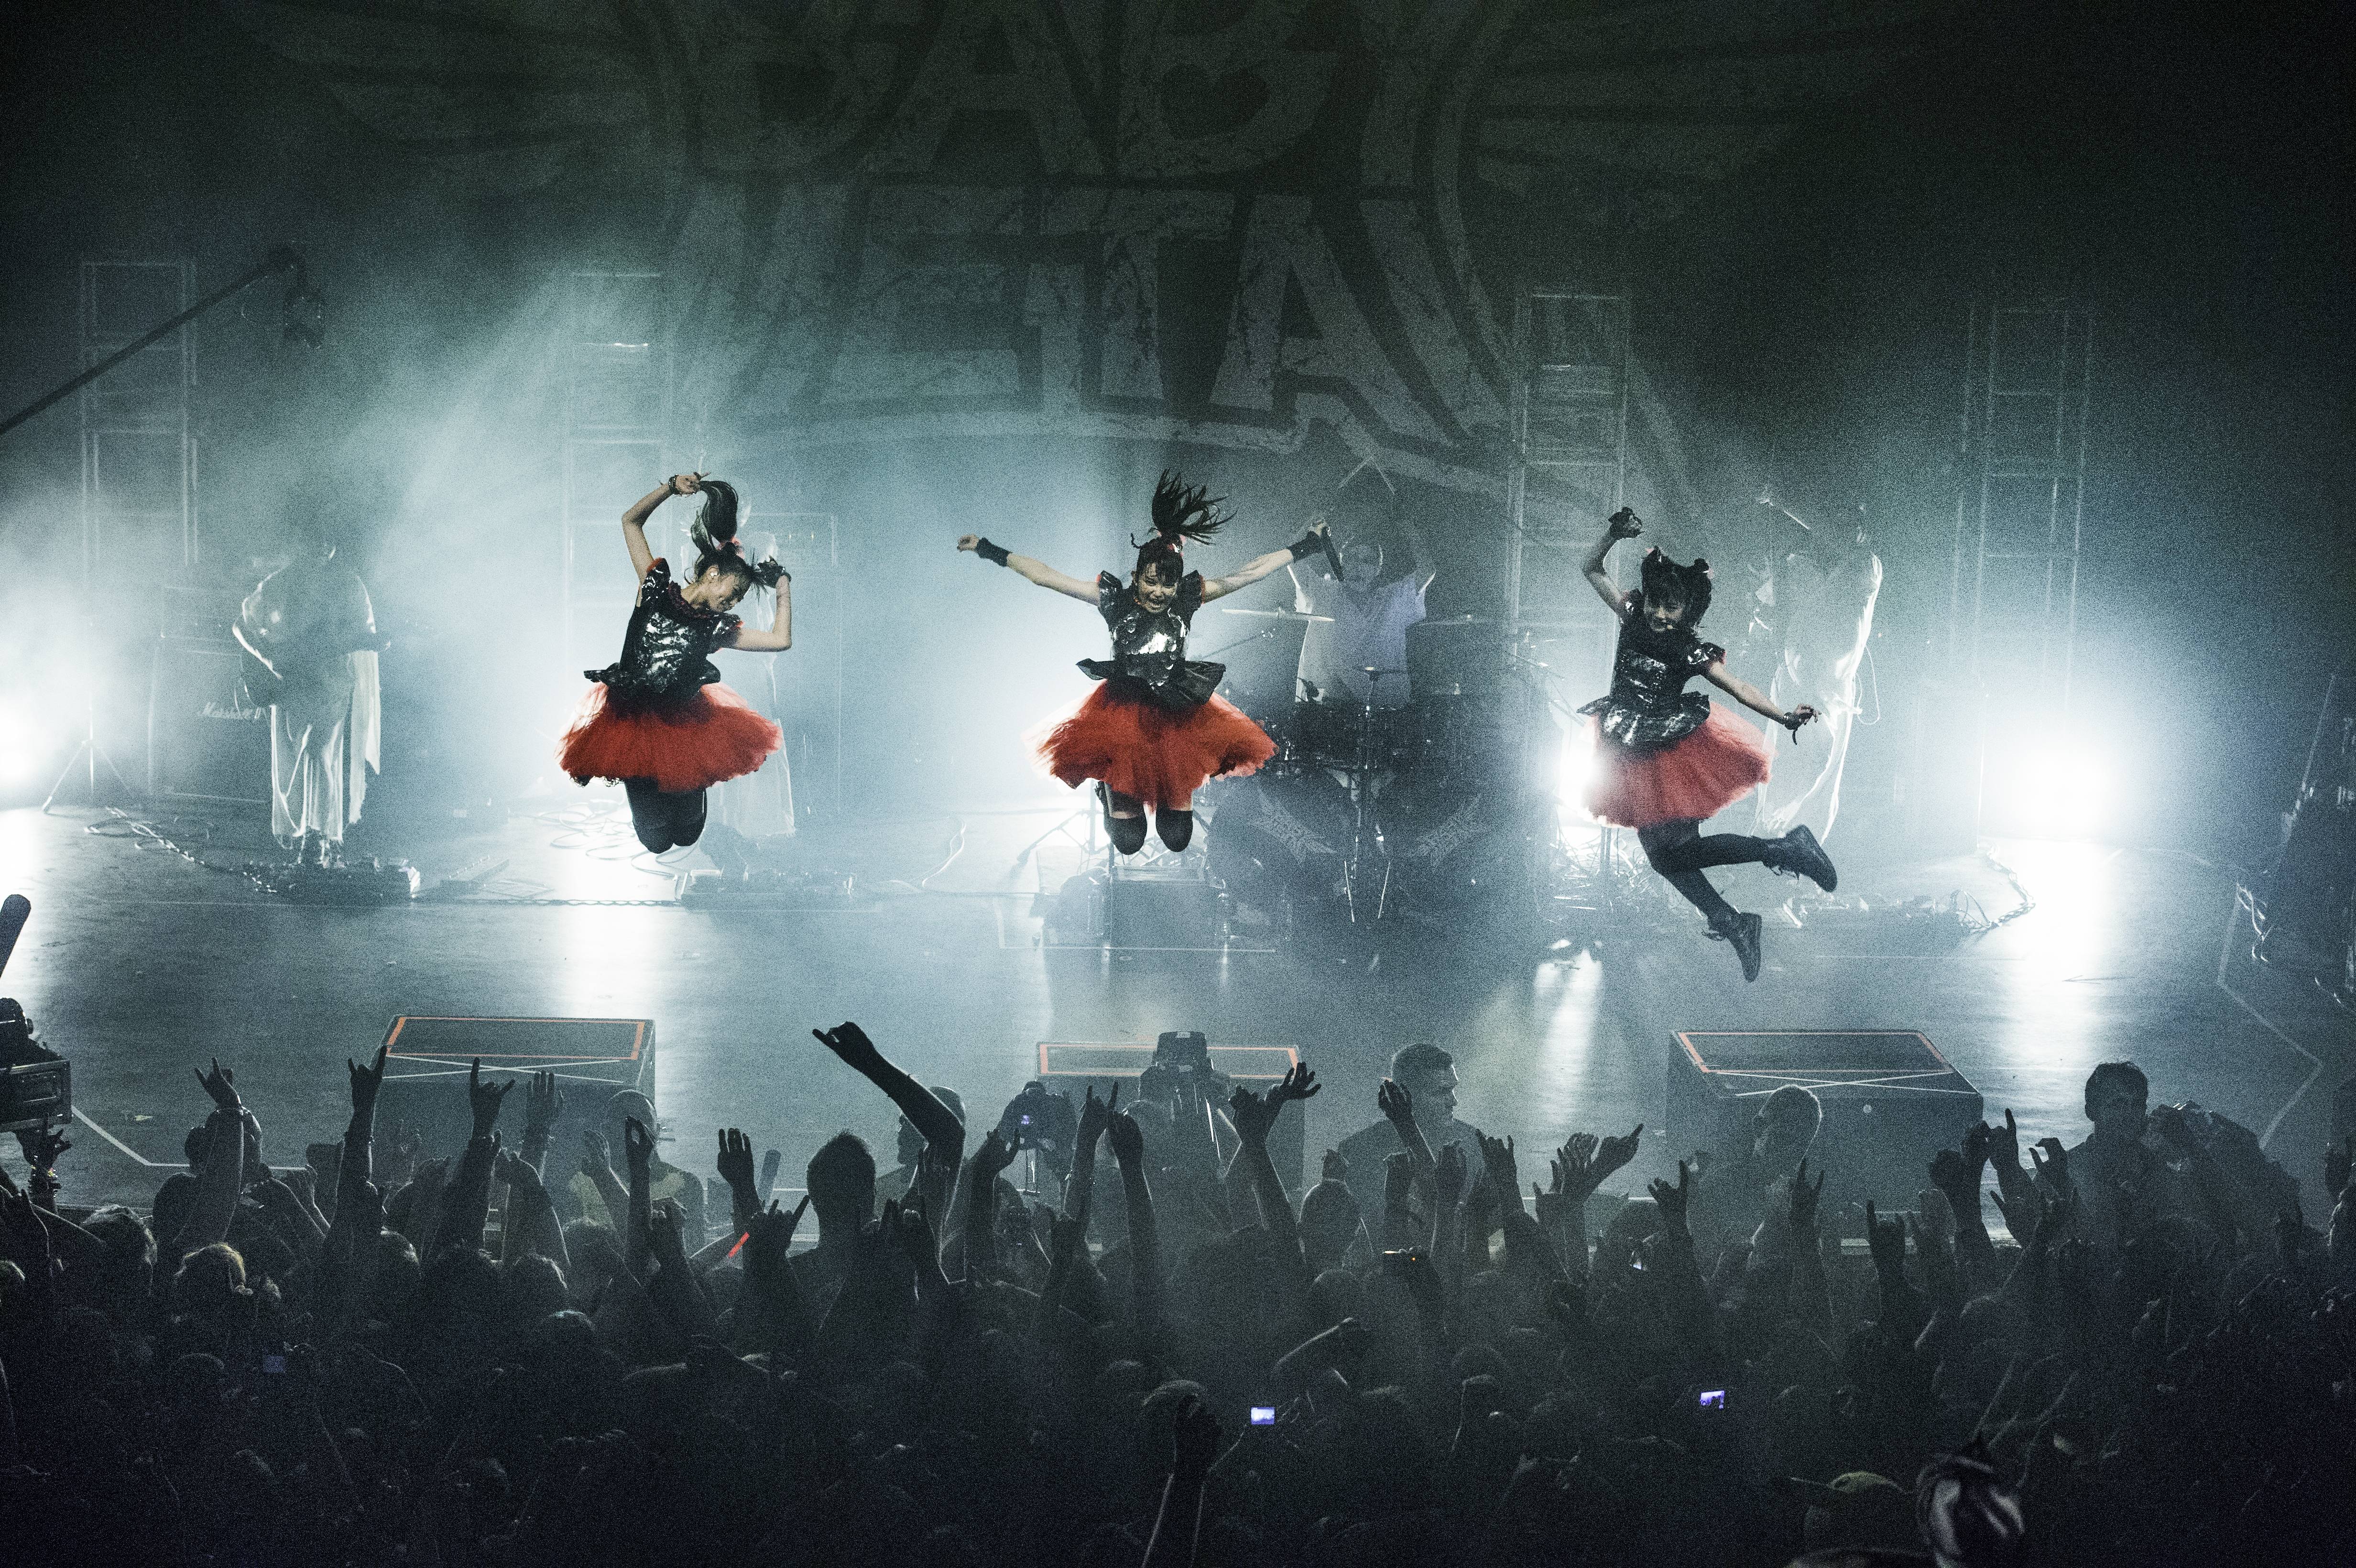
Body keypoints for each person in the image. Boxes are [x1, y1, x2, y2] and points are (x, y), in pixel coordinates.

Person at [958, 472, 1324, 854]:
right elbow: (1046, 577)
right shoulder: (1114, 600)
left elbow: (1249, 574)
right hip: (1122, 714)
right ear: (1137, 577)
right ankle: (1108, 793)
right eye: (1151, 583)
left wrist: (1307, 547)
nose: (1159, 593)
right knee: (1130, 843)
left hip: (1176, 715)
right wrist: (988, 549)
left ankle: (1152, 800)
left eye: (1167, 586)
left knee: (1178, 839)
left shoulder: (1185, 600)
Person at [1578, 508, 1838, 981]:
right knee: (1665, 857)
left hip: (1666, 754)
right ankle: (1734, 916)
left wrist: (1782, 715)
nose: (1659, 613)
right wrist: (1611, 536)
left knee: (1669, 856)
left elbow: (1737, 687)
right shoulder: (1633, 617)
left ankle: (1781, 853)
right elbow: (1590, 569)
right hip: (1626, 748)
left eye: (1670, 608)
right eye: (1656, 602)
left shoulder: (1689, 649)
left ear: (1688, 612)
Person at [557, 472, 794, 854]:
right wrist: (669, 489)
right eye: (732, 595)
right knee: (656, 839)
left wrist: (783, 586)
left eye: (738, 601)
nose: (732, 605)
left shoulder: (715, 627)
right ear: (713, 574)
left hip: (685, 728)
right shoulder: (654, 590)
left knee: (686, 834)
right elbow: (630, 522)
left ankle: (689, 818)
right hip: (634, 726)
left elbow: (780, 641)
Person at [231, 517, 382, 865]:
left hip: (331, 681)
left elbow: (364, 634)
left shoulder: (349, 585)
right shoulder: (278, 583)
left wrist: (372, 642)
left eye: (326, 545)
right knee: (291, 760)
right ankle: (299, 831)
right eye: (314, 543)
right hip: (289, 683)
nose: (321, 551)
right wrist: (266, 656)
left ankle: (317, 838)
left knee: (319, 752)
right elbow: (241, 625)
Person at [1289, 522, 1434, 710]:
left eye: (1367, 561)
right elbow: (1293, 560)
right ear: (1342, 564)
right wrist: (1310, 525)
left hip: (1380, 705)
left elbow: (1428, 570)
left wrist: (1409, 526)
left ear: (1377, 568)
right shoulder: (1324, 592)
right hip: (1326, 703)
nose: (1358, 567)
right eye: (1352, 559)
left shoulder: (1393, 597)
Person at [1334, 1042, 1488, 1214]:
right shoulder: (1358, 1152)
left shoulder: (1473, 1144)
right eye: (1441, 1092)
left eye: (1453, 1089)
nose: (1454, 1101)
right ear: (1404, 1093)